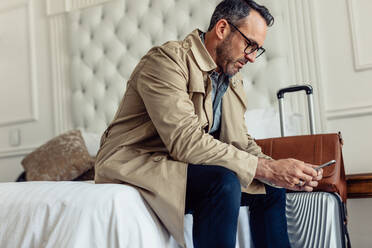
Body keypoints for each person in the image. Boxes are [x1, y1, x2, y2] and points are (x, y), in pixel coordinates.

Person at [95, 0, 323, 247]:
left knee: (269, 188)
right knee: (223, 182)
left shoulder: (230, 78)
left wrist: (279, 171)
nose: (252, 58)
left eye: (258, 50)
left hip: (178, 165)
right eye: (250, 45)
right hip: (134, 162)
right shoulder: (166, 62)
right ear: (223, 29)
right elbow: (186, 142)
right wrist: (267, 169)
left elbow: (240, 142)